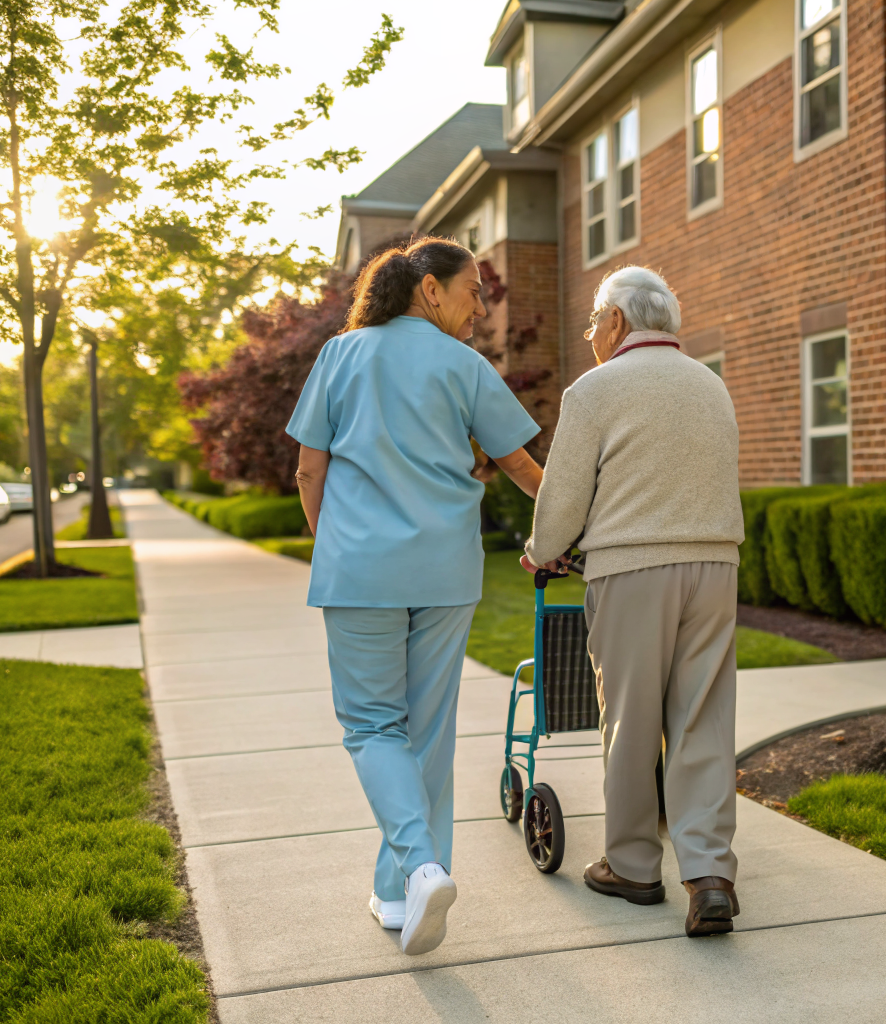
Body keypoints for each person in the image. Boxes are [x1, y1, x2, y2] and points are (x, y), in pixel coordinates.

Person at [287, 237, 543, 955]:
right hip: (443, 573)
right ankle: (400, 894)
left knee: (372, 727)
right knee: (425, 735)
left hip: (360, 571)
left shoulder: (341, 354)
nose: (478, 309)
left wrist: (326, 536)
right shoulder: (465, 366)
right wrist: (570, 525)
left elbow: (311, 469)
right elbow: (520, 466)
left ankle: (421, 869)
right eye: (471, 292)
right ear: (429, 289)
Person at [521, 265, 745, 937]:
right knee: (702, 718)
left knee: (629, 720)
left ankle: (633, 865)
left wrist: (541, 550)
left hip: (631, 569)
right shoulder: (711, 385)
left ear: (616, 321)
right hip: (714, 564)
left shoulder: (596, 388)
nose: (591, 333)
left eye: (594, 321)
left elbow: (561, 500)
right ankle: (708, 874)